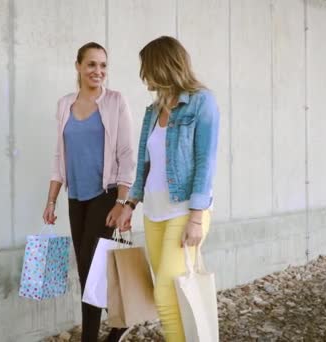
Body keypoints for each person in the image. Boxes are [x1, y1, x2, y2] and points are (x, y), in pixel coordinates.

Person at [117, 36, 220, 342]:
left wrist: (197, 216)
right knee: (171, 296)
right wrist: (130, 204)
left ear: (163, 66)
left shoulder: (202, 102)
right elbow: (144, 164)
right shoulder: (153, 110)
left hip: (184, 211)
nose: (143, 76)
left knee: (164, 293)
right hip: (154, 213)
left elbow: (206, 161)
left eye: (146, 68)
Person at [42, 42, 135, 342]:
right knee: (87, 268)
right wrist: (51, 200)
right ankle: (120, 322)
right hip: (75, 198)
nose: (98, 71)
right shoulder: (64, 104)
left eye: (103, 65)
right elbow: (60, 155)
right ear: (78, 66)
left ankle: (91, 337)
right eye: (92, 64)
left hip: (105, 196)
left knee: (90, 268)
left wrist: (123, 202)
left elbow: (126, 155)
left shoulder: (115, 102)